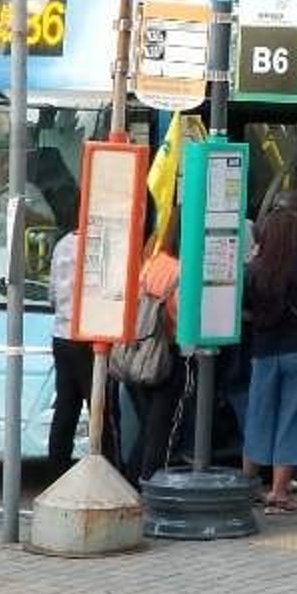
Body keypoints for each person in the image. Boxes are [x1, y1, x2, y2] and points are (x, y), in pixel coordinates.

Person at [241, 207, 297, 513]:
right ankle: (279, 493)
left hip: (263, 351)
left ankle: (247, 486)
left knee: (258, 415)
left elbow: (244, 312)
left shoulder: (252, 269)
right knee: (294, 417)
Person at [127, 208, 185, 489]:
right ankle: (150, 486)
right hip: (167, 354)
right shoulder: (182, 270)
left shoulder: (153, 262)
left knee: (149, 426)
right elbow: (181, 316)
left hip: (140, 352)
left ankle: (132, 479)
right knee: (161, 430)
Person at [46, 227, 88, 480]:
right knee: (102, 410)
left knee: (66, 407)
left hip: (62, 334)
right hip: (91, 337)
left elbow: (52, 294)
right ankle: (108, 469)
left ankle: (56, 471)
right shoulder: (102, 241)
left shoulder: (63, 243)